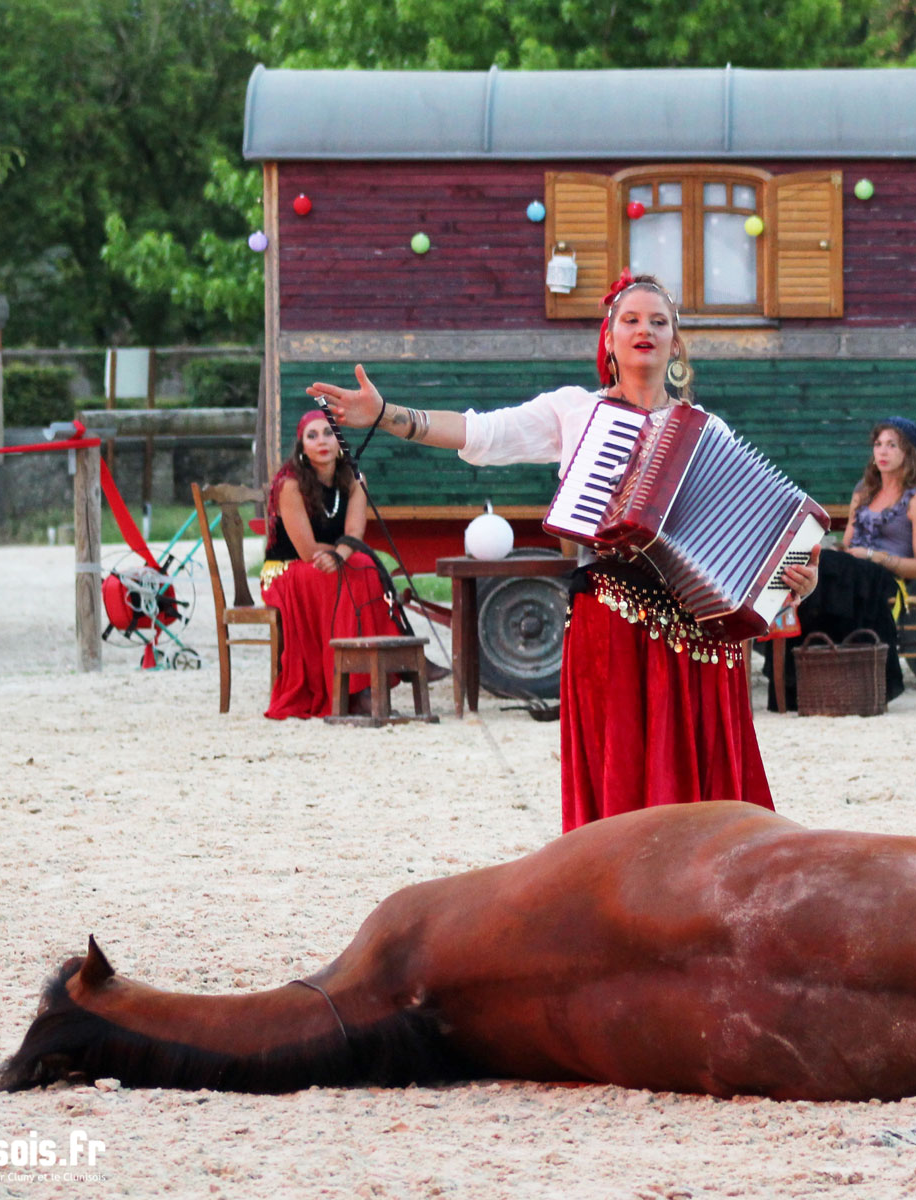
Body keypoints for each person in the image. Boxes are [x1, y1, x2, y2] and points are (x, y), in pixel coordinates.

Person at [307, 272, 819, 831]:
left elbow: (750, 548)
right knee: (619, 776)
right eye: (631, 319)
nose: (644, 329)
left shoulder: (708, 430)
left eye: (659, 321)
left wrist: (793, 581)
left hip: (696, 634)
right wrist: (386, 415)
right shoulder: (577, 411)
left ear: (677, 343)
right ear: (609, 339)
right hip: (612, 618)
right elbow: (480, 434)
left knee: (704, 793)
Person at [764, 418, 916, 709]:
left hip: (885, 576)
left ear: (908, 453)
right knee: (810, 564)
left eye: (892, 445)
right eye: (878, 444)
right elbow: (848, 543)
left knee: (832, 568)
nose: (882, 452)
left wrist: (873, 556)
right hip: (853, 572)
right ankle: (798, 682)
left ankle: (803, 679)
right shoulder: (863, 492)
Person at [260, 409, 399, 720]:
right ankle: (352, 691)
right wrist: (342, 555)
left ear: (339, 442)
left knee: (365, 566)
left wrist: (341, 555)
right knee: (348, 573)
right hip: (287, 570)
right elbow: (307, 550)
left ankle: (372, 681)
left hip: (332, 561)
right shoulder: (290, 485)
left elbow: (354, 534)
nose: (321, 441)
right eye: (312, 435)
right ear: (302, 446)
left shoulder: (354, 479)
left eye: (328, 433)